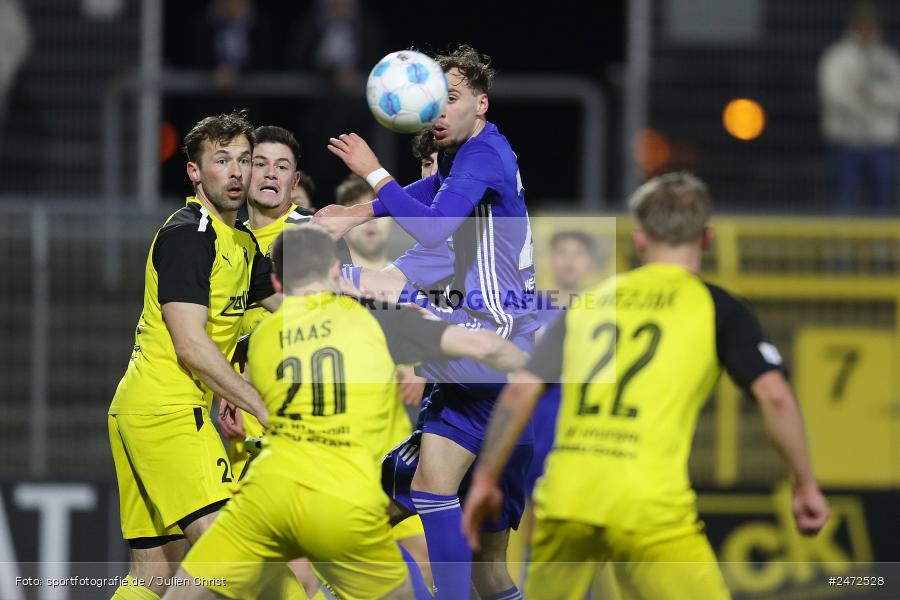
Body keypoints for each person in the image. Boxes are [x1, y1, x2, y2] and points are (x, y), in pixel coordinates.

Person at [463, 172, 832, 600]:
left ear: (640, 240)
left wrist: (486, 478)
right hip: (649, 508)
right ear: (707, 239)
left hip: (567, 501)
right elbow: (775, 394)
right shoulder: (717, 307)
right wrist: (804, 483)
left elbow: (520, 390)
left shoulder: (589, 302)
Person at [163, 224, 529, 600]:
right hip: (343, 502)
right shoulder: (375, 320)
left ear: (276, 284)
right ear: (337, 273)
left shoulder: (264, 339)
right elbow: (480, 345)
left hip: (268, 494)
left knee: (186, 593)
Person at [317, 45, 537, 599]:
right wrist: (358, 211)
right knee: (490, 567)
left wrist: (372, 172)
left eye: (452, 99)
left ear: (480, 105)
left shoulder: (485, 154)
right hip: (499, 352)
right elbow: (433, 193)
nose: (436, 111)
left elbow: (436, 228)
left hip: (493, 341)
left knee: (413, 487)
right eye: (433, 99)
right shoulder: (473, 154)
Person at [106, 110, 280, 600]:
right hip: (167, 411)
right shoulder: (190, 233)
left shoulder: (239, 241)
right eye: (221, 160)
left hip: (142, 408)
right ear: (195, 171)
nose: (237, 172)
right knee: (230, 556)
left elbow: (295, 304)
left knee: (153, 576)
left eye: (244, 160)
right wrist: (259, 404)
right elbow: (191, 343)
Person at [818, 0, 900, 212]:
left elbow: (897, 96)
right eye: (862, 24)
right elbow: (835, 96)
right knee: (843, 201)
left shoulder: (889, 60)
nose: (867, 29)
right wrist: (874, 103)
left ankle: (882, 246)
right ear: (853, 26)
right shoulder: (837, 58)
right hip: (847, 142)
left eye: (871, 24)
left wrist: (868, 94)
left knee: (883, 202)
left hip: (882, 143)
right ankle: (840, 246)